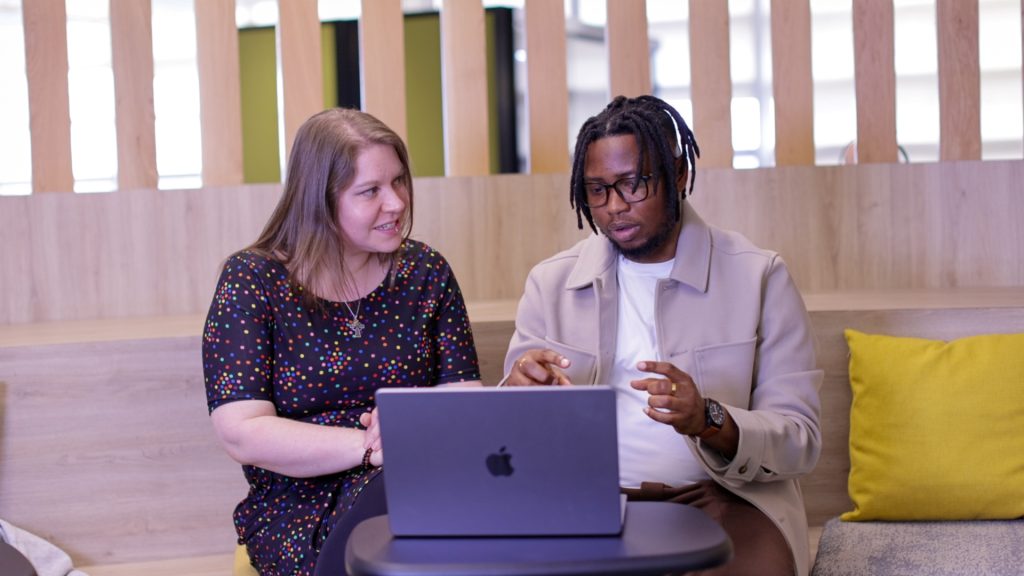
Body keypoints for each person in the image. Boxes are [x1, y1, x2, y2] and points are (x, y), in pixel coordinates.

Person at [502, 95, 822, 576]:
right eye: (597, 190)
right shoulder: (552, 284)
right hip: (589, 505)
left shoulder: (759, 277)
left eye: (633, 184)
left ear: (678, 176)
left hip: (724, 501)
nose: (614, 207)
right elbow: (508, 438)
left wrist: (709, 419)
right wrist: (517, 393)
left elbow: (800, 440)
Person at [202, 108, 481, 576]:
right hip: (299, 501)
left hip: (422, 477)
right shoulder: (253, 281)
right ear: (319, 201)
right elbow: (242, 432)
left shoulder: (425, 272)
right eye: (370, 191)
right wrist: (371, 448)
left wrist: (406, 443)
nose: (395, 203)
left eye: (399, 182)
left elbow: (462, 399)